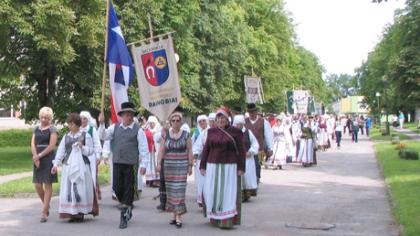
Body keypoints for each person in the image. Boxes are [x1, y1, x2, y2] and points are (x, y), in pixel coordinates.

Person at [98, 102, 149, 229]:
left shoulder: (138, 130)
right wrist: (102, 123)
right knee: (117, 188)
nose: (128, 116)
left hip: (131, 164)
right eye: (126, 114)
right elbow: (102, 136)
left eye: (130, 114)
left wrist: (144, 164)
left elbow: (144, 148)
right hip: (117, 163)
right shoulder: (114, 128)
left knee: (128, 190)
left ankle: (124, 216)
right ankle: (127, 205)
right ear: (122, 116)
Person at [200, 107, 245, 229]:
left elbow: (241, 151)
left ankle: (226, 220)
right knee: (212, 191)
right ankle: (215, 218)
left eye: (222, 117)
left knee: (227, 193)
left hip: (229, 166)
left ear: (227, 119)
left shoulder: (235, 132)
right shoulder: (211, 132)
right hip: (213, 166)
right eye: (218, 117)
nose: (220, 120)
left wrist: (241, 167)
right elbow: (206, 149)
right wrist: (202, 165)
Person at [51, 113, 98, 222]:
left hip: (82, 166)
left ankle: (80, 212)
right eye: (69, 124)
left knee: (80, 188)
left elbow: (91, 151)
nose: (70, 126)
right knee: (69, 189)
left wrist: (82, 147)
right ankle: (72, 212)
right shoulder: (66, 136)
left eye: (72, 124)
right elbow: (61, 151)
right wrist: (55, 164)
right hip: (68, 166)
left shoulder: (86, 135)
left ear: (77, 124)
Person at [156, 112, 193, 228]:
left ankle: (179, 216)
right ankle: (173, 214)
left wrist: (190, 165)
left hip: (181, 165)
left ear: (181, 122)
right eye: (173, 120)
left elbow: (190, 150)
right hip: (169, 166)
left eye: (178, 120)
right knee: (171, 190)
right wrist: (158, 163)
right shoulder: (165, 135)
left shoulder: (186, 134)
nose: (176, 123)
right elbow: (161, 150)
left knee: (180, 190)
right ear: (170, 122)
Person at [31, 107, 58, 223]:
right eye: (42, 117)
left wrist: (39, 155)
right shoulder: (36, 129)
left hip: (48, 158)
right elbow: (32, 143)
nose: (43, 119)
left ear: (50, 118)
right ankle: (46, 205)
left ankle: (44, 211)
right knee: (37, 184)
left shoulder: (53, 129)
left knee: (47, 184)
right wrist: (35, 156)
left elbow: (52, 146)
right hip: (37, 158)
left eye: (46, 117)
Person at [245, 103, 273, 183]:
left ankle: (256, 179)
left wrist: (270, 147)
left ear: (256, 112)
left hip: (259, 149)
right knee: (248, 166)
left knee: (257, 165)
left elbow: (268, 135)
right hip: (247, 149)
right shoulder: (244, 121)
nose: (252, 114)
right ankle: (249, 181)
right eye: (250, 112)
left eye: (253, 112)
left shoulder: (263, 122)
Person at [233, 114, 259, 202]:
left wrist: (250, 152)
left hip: (247, 158)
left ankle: (246, 194)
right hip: (236, 159)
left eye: (240, 124)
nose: (238, 126)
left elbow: (255, 143)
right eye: (236, 124)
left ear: (243, 124)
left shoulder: (248, 132)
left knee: (247, 177)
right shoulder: (232, 133)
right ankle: (238, 195)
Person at [79, 111, 102, 200]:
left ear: (88, 120)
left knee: (92, 176)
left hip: (91, 156)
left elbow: (97, 144)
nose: (82, 120)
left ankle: (93, 195)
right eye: (81, 118)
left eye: (84, 118)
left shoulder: (92, 130)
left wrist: (98, 156)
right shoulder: (78, 130)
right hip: (81, 156)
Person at [191, 115, 209, 207]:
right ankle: (201, 198)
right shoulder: (197, 132)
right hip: (199, 160)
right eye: (200, 121)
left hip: (208, 160)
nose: (202, 123)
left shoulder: (209, 132)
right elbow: (193, 144)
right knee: (200, 180)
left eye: (204, 121)